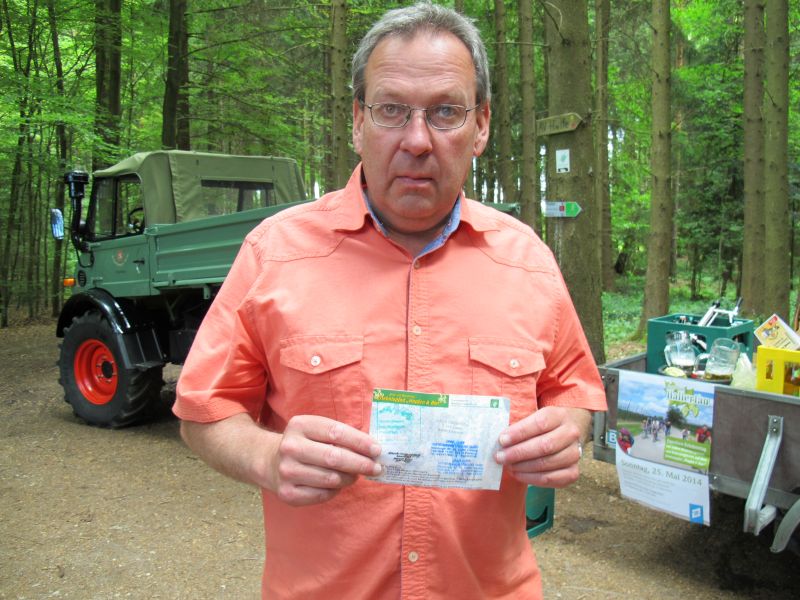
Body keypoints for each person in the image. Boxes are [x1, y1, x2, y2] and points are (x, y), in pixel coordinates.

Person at [174, 3, 606, 598]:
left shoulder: (526, 261)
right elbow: (204, 411)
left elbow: (573, 392)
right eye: (391, 110)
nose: (417, 140)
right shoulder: (274, 254)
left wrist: (568, 430)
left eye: (446, 111)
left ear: (481, 125)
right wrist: (268, 457)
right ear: (358, 121)